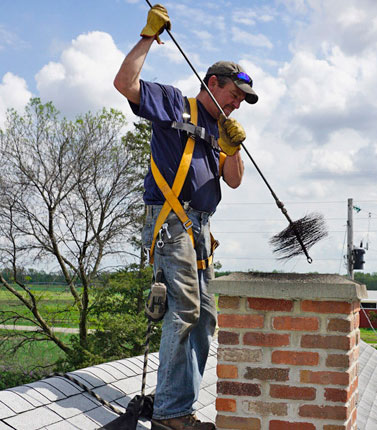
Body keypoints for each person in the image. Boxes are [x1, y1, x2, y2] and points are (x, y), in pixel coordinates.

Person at [114, 4, 258, 430]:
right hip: (171, 223)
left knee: (206, 315)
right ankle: (172, 414)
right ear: (212, 83)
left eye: (241, 101)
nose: (236, 105)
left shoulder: (220, 131)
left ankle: (179, 403)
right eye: (234, 95)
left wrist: (233, 150)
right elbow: (125, 83)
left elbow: (232, 182)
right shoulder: (174, 104)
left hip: (200, 229)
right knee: (185, 310)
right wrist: (148, 37)